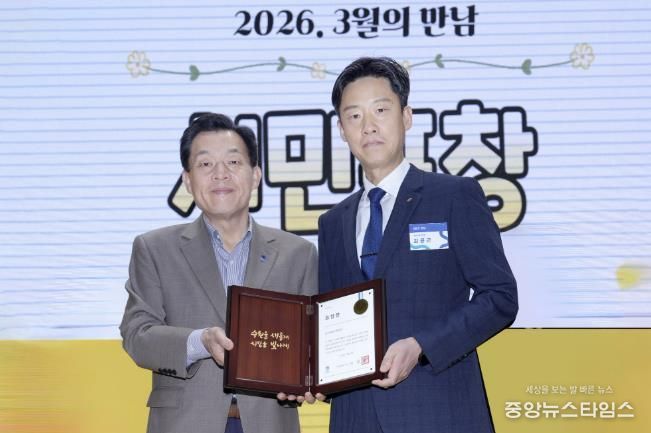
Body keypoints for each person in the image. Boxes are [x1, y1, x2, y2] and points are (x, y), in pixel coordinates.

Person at [317, 57, 518, 432]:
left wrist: (422, 345)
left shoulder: (454, 196)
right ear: (342, 130)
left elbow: (500, 297)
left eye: (381, 110)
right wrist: (305, 374)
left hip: (439, 410)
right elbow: (328, 321)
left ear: (406, 117)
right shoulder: (332, 223)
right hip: (356, 417)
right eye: (354, 116)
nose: (369, 126)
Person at [120, 113, 317, 433]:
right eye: (205, 164)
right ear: (187, 180)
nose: (220, 174)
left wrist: (311, 376)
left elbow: (314, 346)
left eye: (233, 162)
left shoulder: (298, 254)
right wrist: (200, 342)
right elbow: (137, 336)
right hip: (185, 423)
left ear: (256, 175)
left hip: (269, 423)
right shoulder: (154, 249)